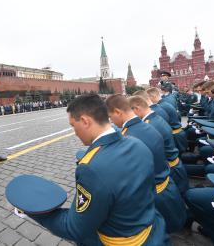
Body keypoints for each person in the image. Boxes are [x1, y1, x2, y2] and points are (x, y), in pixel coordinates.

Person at [28, 94, 170, 245]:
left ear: (84, 121)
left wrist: (33, 212)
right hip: (152, 229)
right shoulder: (137, 143)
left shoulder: (90, 169)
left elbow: (74, 228)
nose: (74, 133)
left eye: (73, 126)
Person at [106, 94, 186, 233]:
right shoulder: (145, 125)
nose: (111, 120)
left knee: (164, 232)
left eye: (110, 116)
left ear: (118, 112)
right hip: (166, 186)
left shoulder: (128, 137)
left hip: (156, 195)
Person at [129, 95, 189, 197]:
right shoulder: (155, 118)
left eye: (130, 112)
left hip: (171, 169)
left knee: (183, 200)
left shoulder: (148, 125)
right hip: (173, 165)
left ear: (137, 109)